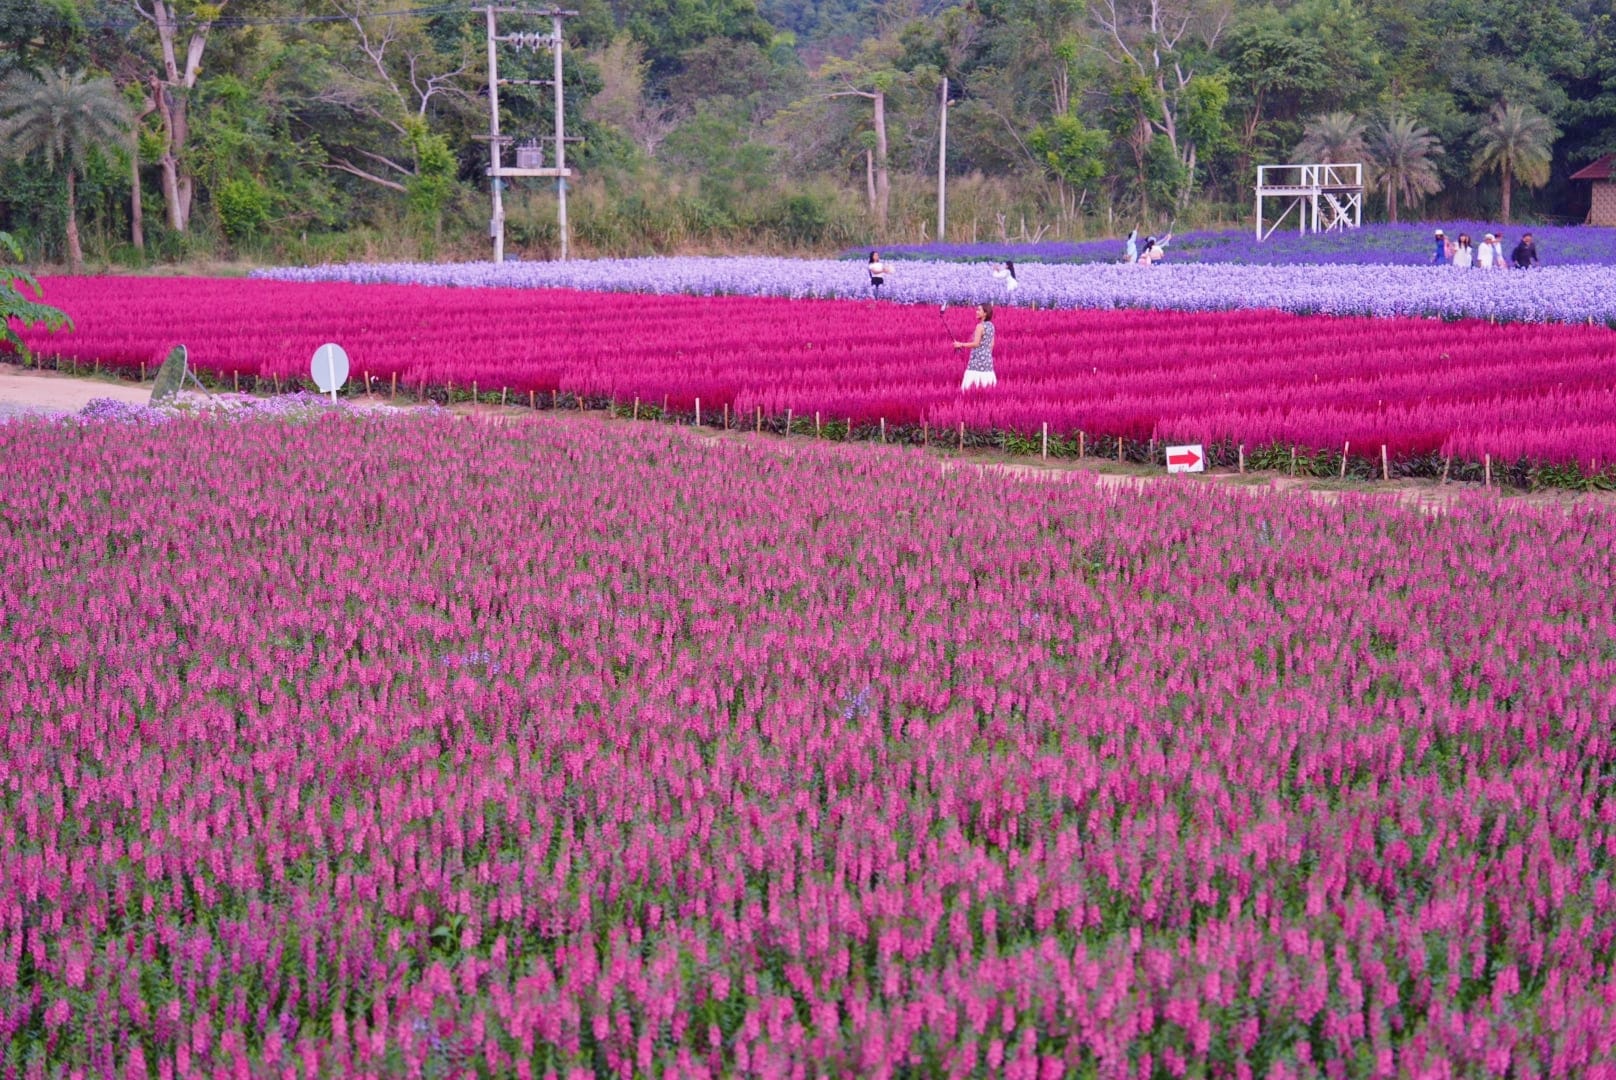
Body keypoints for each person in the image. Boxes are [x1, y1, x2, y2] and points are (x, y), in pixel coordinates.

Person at [953, 303, 996, 390]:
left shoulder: (980, 326)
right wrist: (987, 355)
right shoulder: (991, 326)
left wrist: (960, 344)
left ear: (985, 313)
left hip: (976, 361)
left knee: (970, 386)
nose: (976, 312)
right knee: (987, 386)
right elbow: (992, 344)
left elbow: (976, 343)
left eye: (979, 310)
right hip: (987, 361)